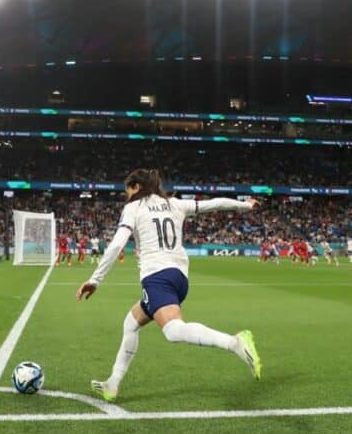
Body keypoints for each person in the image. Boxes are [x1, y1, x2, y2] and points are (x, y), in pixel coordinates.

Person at [77, 169, 262, 402]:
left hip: (157, 277)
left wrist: (95, 279)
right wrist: (244, 205)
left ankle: (234, 342)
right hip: (179, 278)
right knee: (131, 324)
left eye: (127, 191)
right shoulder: (174, 204)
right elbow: (213, 204)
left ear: (135, 187)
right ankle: (112, 384)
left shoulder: (133, 208)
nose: (126, 196)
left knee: (173, 331)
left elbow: (116, 245)